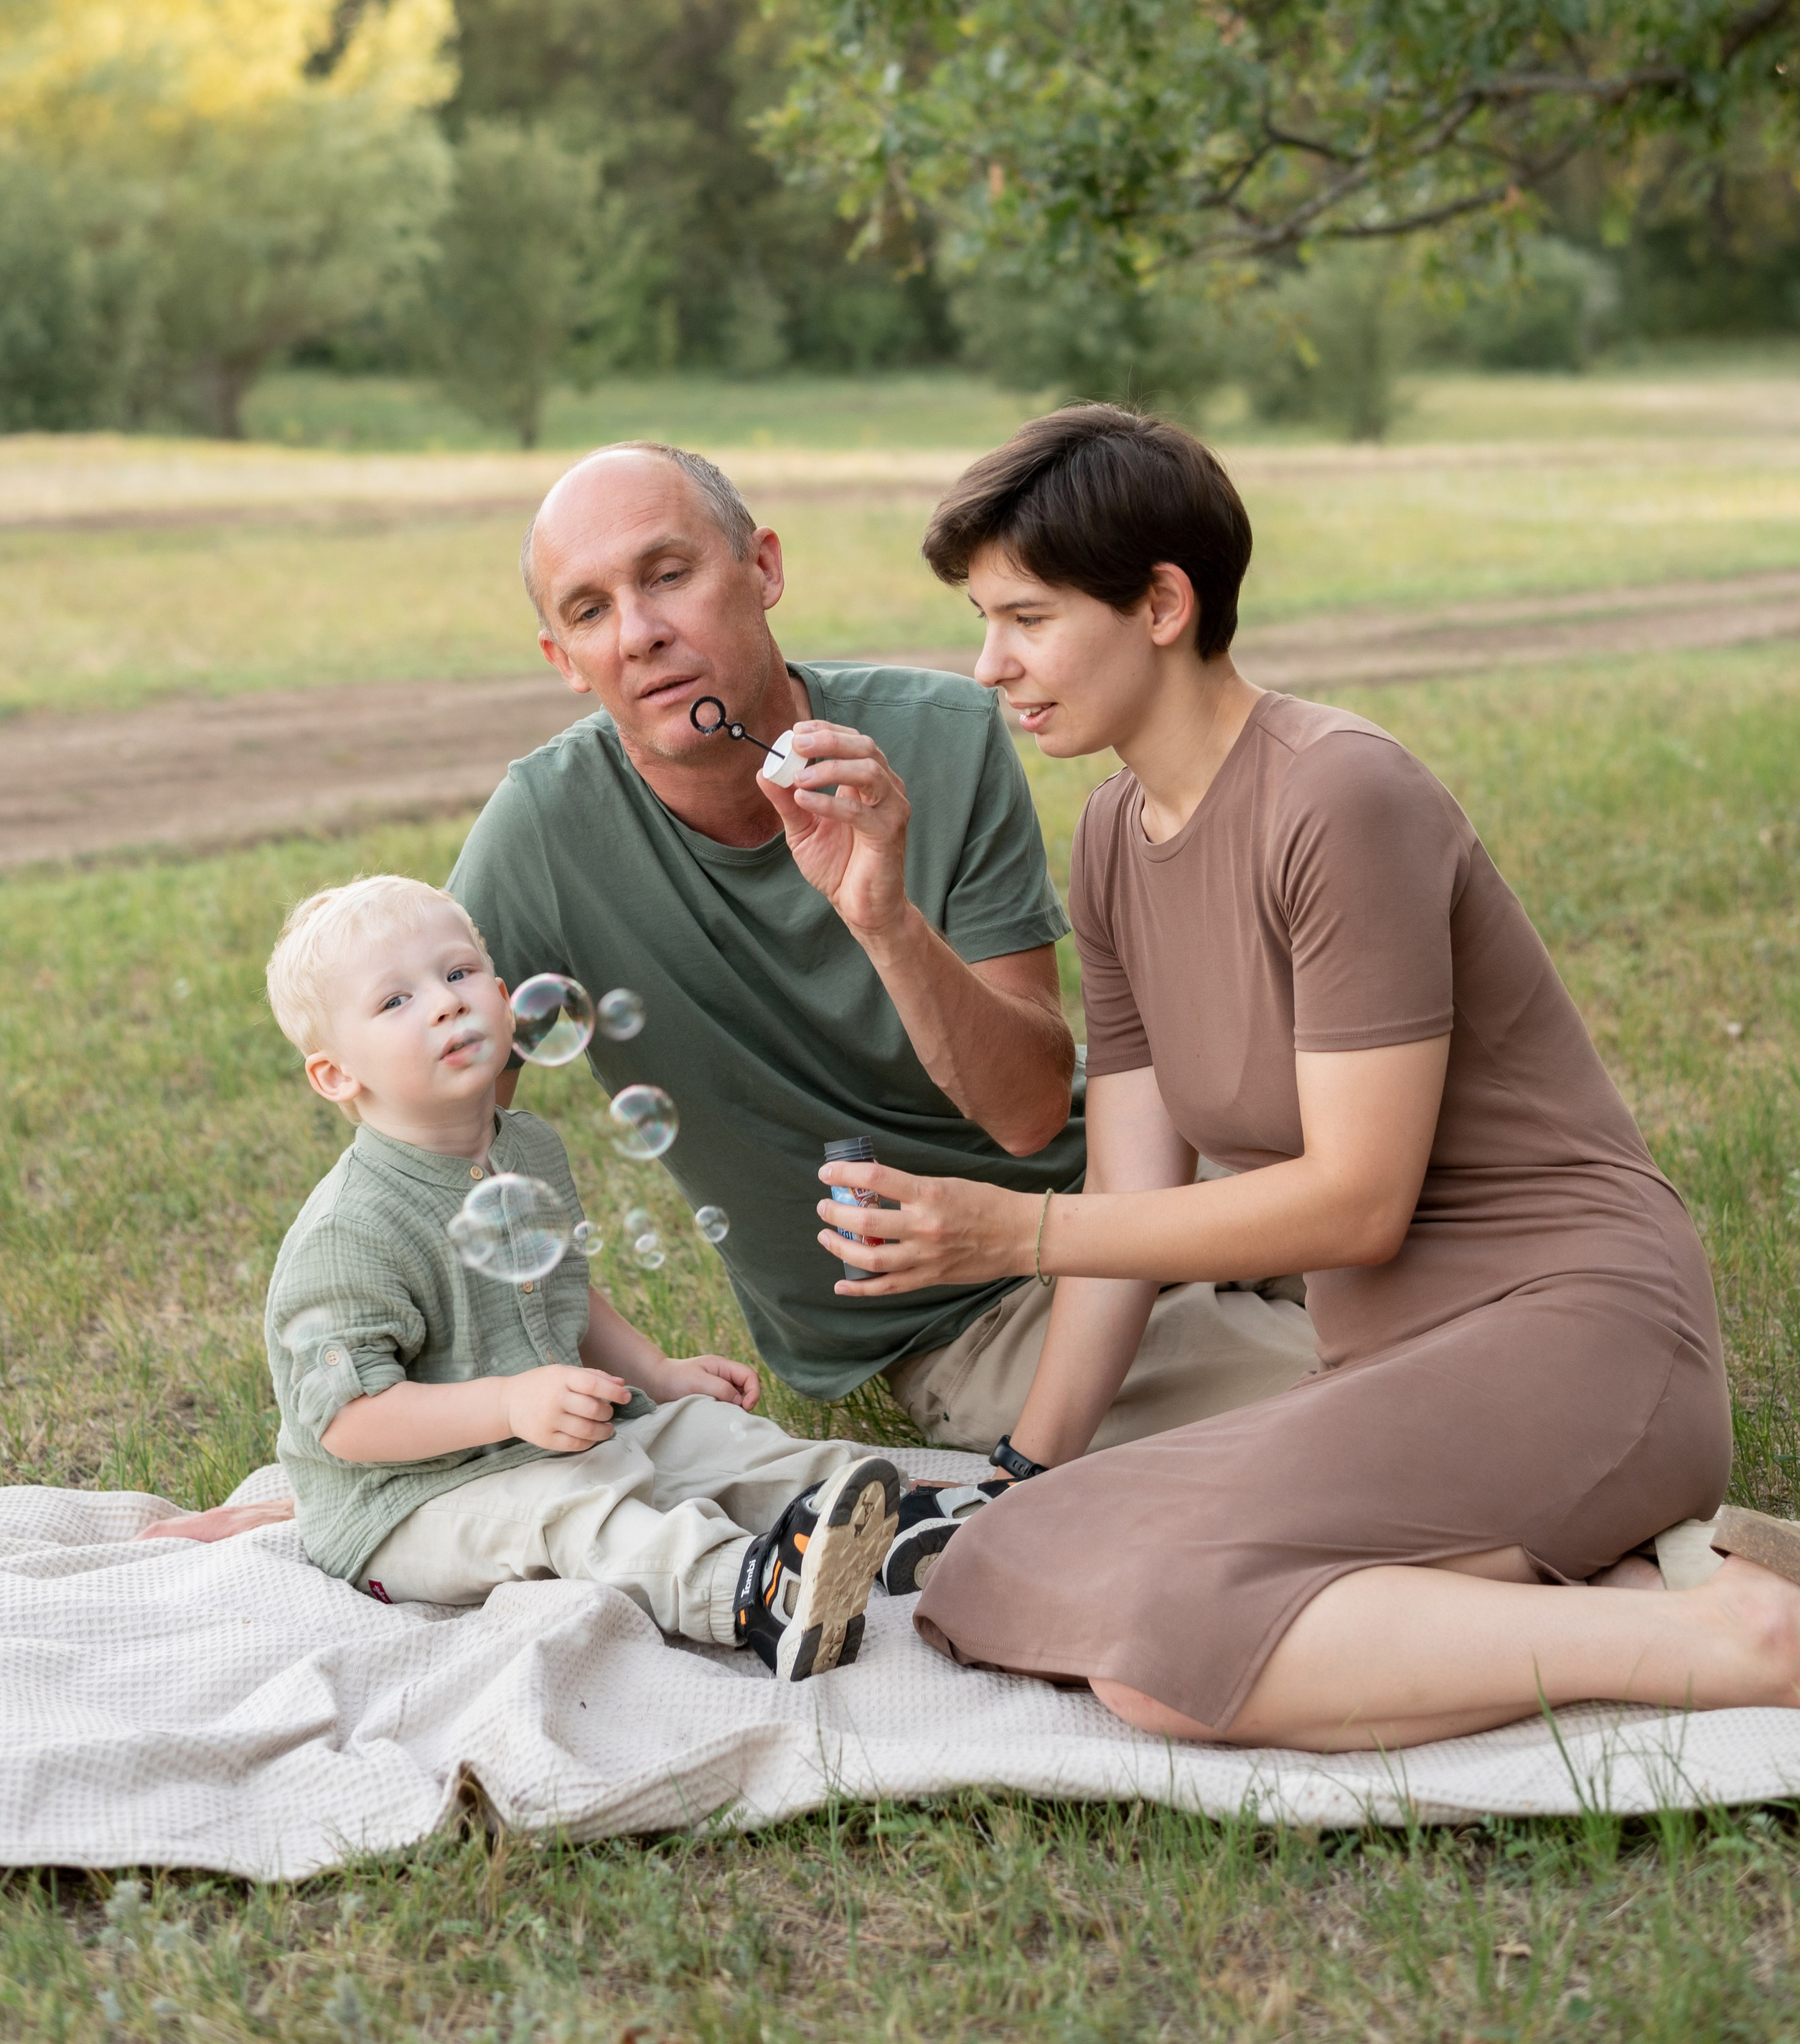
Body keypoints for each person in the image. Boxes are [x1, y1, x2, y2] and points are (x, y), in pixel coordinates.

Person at [812, 403, 1800, 1750]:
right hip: (1387, 1373)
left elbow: (1357, 1203)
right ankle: (1617, 1579)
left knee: (1167, 1661)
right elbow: (1132, 1198)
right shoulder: (1111, 837)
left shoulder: (1340, 798)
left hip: (1574, 1334)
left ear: (1162, 602)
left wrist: (1015, 1229)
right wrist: (1019, 1468)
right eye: (984, 621)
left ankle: (1724, 1641)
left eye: (1027, 619)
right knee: (1007, 1563)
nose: (990, 665)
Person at [443, 439, 1313, 1466]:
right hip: (968, 1309)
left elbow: (1031, 1110)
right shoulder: (543, 835)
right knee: (1369, 1393)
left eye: (668, 574)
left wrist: (886, 917)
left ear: (762, 568)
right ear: (564, 660)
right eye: (589, 610)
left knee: (1480, 1278)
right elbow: (422, 1140)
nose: (639, 633)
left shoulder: (942, 734)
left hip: (1138, 1188)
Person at [252, 870, 909, 1679]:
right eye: (395, 1001)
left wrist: (658, 1374)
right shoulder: (351, 1229)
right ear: (335, 1075)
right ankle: (749, 1591)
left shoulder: (526, 1149)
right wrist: (507, 1402)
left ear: (501, 995)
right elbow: (348, 1421)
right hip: (409, 1505)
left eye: (458, 975)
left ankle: (890, 1520)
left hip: (544, 1439)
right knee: (574, 1514)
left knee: (705, 1437)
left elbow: (562, 1286)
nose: (445, 1002)